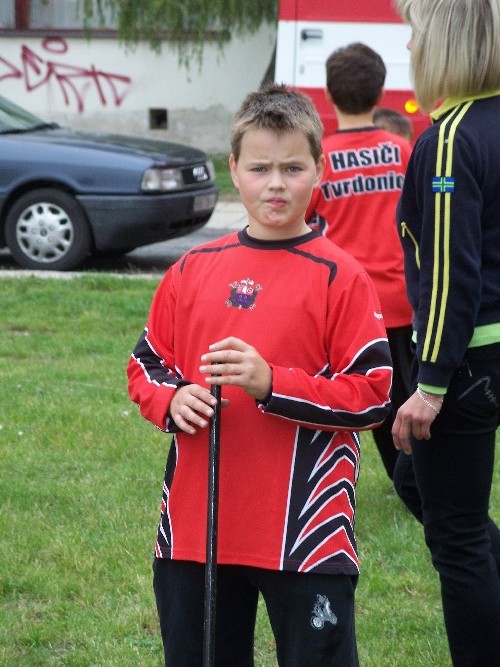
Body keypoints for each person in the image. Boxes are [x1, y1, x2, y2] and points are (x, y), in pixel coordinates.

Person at [127, 83, 393, 666]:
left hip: (306, 535)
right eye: (260, 168)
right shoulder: (192, 268)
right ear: (234, 170)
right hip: (196, 531)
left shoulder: (341, 276)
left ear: (319, 169)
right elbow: (146, 363)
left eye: (293, 168)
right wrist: (171, 400)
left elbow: (373, 395)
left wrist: (273, 384)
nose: (276, 183)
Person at [391, 1, 500, 665]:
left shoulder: (451, 139)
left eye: (415, 32)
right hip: (485, 353)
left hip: (467, 360)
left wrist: (429, 384)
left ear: (443, 42)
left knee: (456, 537)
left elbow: (448, 276)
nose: (410, 45)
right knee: (414, 482)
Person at [306, 42, 413, 481]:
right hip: (403, 302)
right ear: (381, 93)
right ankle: (411, 478)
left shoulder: (316, 161)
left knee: (343, 394)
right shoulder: (404, 151)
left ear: (328, 95)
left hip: (343, 305)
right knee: (404, 397)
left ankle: (332, 473)